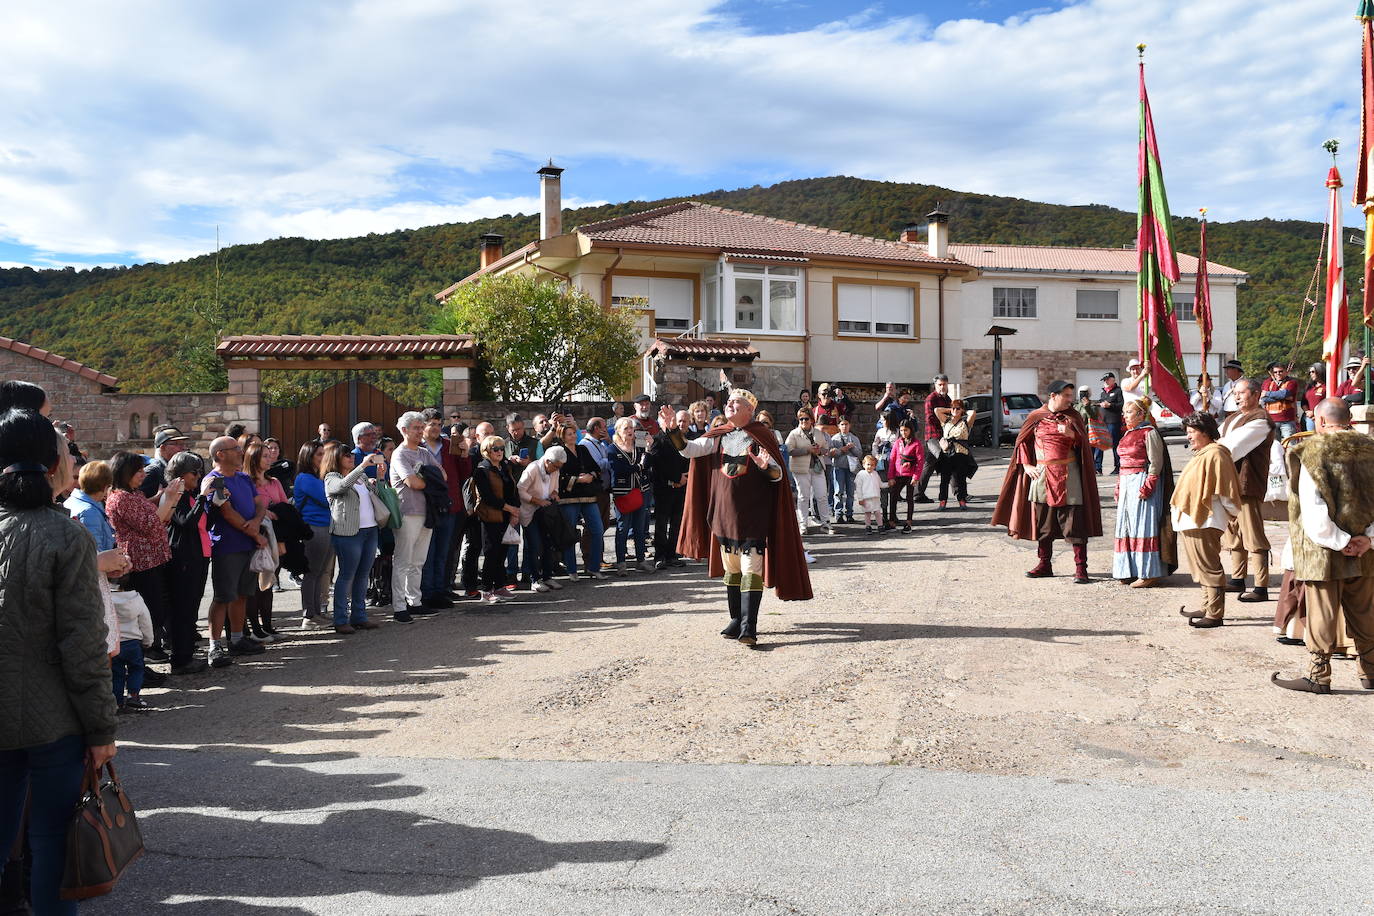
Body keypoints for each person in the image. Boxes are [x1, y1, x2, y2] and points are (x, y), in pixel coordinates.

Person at [0, 408, 117, 916]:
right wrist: (100, 730)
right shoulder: (67, 536)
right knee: (52, 847)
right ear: (54, 467)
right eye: (68, 451)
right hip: (56, 723)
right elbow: (83, 645)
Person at [660, 389, 812, 648]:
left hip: (752, 514)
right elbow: (689, 450)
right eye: (728, 402)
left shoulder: (761, 436)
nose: (729, 405)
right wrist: (674, 431)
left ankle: (748, 626)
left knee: (750, 569)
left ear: (749, 410)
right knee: (731, 569)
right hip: (723, 514)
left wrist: (767, 468)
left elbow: (778, 477)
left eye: (735, 402)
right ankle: (735, 619)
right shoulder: (718, 435)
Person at [1272, 398, 1374, 693]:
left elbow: (1313, 508)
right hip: (1366, 551)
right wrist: (1366, 540)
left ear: (1319, 420)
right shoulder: (1371, 449)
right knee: (1366, 613)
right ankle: (1369, 672)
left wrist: (1339, 541)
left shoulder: (1311, 450)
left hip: (1324, 554)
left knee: (1322, 616)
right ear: (1349, 419)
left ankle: (1318, 677)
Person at [992, 379, 1103, 584]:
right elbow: (1023, 443)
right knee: (1044, 524)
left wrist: (1073, 435)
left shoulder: (1074, 417)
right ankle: (1045, 565)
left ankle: (1081, 568)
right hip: (1042, 475)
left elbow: (1084, 447)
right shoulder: (1036, 417)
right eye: (1067, 396)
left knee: (1074, 523)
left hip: (1069, 475)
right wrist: (1026, 465)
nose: (1071, 400)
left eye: (1071, 395)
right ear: (1053, 396)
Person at [106, 450, 179, 663]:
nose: (143, 474)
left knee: (155, 606)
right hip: (141, 561)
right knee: (149, 606)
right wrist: (170, 498)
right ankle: (144, 653)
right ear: (125, 472)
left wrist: (160, 499)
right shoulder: (121, 498)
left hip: (152, 558)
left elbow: (149, 513)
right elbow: (150, 524)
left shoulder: (134, 494)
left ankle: (150, 648)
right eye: (138, 471)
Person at [202, 436, 268, 667]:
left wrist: (257, 521)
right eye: (235, 449)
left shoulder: (242, 477)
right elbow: (227, 512)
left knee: (242, 594)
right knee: (223, 596)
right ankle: (214, 646)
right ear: (220, 454)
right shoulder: (214, 480)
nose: (241, 452)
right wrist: (254, 532)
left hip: (247, 544)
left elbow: (260, 502)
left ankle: (238, 639)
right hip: (228, 546)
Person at [1170, 411, 1242, 627]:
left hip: (1205, 520)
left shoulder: (1217, 454)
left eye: (1192, 432)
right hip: (1193, 520)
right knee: (1200, 567)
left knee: (1209, 567)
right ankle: (1206, 606)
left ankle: (1215, 613)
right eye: (1188, 432)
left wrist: (1231, 515)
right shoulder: (1204, 453)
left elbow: (1227, 490)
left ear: (1205, 432)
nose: (1189, 436)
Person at [1217, 378, 1275, 603]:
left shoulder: (1261, 420)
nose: (1237, 397)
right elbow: (1217, 439)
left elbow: (1230, 447)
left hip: (1247, 483)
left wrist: (1212, 447)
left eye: (1241, 393)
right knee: (1233, 533)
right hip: (1230, 483)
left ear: (1256, 394)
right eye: (1235, 393)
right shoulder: (1232, 417)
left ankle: (1261, 586)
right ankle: (1238, 578)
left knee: (1253, 535)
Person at [1111, 397, 1176, 587]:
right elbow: (1122, 463)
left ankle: (1148, 572)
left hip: (1141, 481)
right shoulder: (1126, 434)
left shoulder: (1149, 433)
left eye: (1129, 412)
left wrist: (1149, 484)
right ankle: (1128, 569)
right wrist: (1118, 484)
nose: (1125, 415)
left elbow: (1156, 462)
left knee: (1142, 526)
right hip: (1126, 482)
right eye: (1124, 412)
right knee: (1126, 526)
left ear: (1141, 414)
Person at [322, 441, 385, 633]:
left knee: (363, 575)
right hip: (348, 533)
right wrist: (363, 466)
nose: (351, 457)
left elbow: (375, 496)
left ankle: (359, 616)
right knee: (347, 576)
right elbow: (340, 487)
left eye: (351, 455)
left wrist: (380, 479)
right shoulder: (331, 477)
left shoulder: (361, 476)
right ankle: (341, 619)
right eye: (346, 455)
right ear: (336, 459)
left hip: (369, 530)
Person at [389, 411, 442, 622]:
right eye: (416, 428)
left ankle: (415, 602)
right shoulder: (399, 454)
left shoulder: (424, 452)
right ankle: (399, 607)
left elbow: (442, 475)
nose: (421, 431)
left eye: (422, 427)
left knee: (418, 561)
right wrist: (430, 480)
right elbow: (413, 483)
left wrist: (426, 478)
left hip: (426, 512)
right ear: (404, 430)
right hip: (407, 512)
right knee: (403, 561)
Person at [163, 451, 211, 674]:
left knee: (192, 606)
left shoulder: (191, 494)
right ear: (181, 474)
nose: (198, 476)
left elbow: (204, 524)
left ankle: (187, 653)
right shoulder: (177, 494)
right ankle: (180, 659)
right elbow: (186, 522)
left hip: (199, 555)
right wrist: (202, 497)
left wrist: (215, 502)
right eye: (195, 472)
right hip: (184, 557)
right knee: (183, 608)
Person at [242, 440, 285, 641]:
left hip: (274, 536)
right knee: (252, 585)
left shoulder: (275, 482)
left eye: (270, 455)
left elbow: (285, 507)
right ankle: (254, 628)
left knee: (269, 581)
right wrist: (264, 512)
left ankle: (267, 625)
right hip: (253, 537)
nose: (270, 459)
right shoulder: (246, 483)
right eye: (265, 456)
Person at [419, 408, 459, 609]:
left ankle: (440, 591)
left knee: (443, 551)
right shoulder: (416, 446)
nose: (435, 428)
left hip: (447, 505)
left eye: (438, 424)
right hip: (425, 506)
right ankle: (426, 593)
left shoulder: (449, 445)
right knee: (428, 552)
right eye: (431, 424)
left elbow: (463, 472)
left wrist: (465, 454)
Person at [473, 435, 520, 604]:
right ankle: (486, 590)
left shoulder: (504, 466)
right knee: (491, 553)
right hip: (490, 515)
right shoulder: (482, 470)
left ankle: (500, 586)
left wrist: (515, 512)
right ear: (487, 451)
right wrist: (510, 508)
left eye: (501, 448)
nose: (500, 452)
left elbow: (513, 490)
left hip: (507, 515)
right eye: (496, 449)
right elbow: (487, 497)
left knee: (502, 552)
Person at [293, 440, 335, 626]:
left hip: (326, 526)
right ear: (308, 457)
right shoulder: (305, 478)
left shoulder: (318, 477)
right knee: (312, 572)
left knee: (319, 572)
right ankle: (309, 615)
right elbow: (327, 500)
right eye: (319, 454)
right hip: (314, 528)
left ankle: (316, 611)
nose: (323, 457)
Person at [556, 422, 605, 580]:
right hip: (568, 498)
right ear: (562, 436)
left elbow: (596, 468)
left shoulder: (582, 449)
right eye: (569, 434)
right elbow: (557, 476)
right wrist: (578, 480)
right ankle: (572, 570)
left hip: (588, 496)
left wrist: (590, 475)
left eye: (573, 433)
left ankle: (594, 567)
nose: (572, 436)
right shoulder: (559, 451)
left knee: (597, 531)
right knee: (570, 534)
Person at [518, 446, 566, 591]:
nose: (557, 470)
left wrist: (555, 494)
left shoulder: (555, 470)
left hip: (546, 513)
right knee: (534, 546)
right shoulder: (533, 469)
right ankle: (534, 579)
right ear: (547, 462)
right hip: (530, 512)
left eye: (559, 467)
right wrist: (537, 501)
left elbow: (555, 487)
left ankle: (547, 577)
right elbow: (520, 490)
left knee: (548, 545)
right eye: (555, 466)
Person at [646, 412, 689, 569]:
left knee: (677, 524)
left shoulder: (681, 438)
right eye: (667, 420)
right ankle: (660, 556)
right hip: (664, 488)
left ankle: (672, 554)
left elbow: (687, 458)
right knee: (661, 524)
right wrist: (676, 478)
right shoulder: (657, 439)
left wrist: (684, 478)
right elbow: (657, 465)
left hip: (680, 487)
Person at [609, 416, 651, 574]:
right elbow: (619, 469)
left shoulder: (639, 445)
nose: (629, 431)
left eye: (631, 428)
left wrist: (648, 449)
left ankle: (641, 561)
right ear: (618, 431)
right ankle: (621, 563)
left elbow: (647, 464)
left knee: (640, 528)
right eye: (625, 428)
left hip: (640, 491)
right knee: (622, 528)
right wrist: (638, 467)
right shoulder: (612, 449)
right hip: (623, 493)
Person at [786, 410, 834, 534]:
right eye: (801, 419)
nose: (803, 421)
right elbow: (789, 450)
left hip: (817, 467)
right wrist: (807, 450)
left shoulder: (818, 433)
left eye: (806, 419)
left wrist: (819, 451)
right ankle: (803, 524)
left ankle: (825, 522)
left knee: (822, 495)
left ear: (811, 420)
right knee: (803, 496)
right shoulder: (794, 434)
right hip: (801, 469)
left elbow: (826, 449)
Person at [109, 585, 154, 712]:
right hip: (133, 643)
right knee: (137, 669)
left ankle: (117, 702)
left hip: (114, 643)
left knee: (116, 674)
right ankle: (133, 696)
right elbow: (146, 622)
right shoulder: (136, 599)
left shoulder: (106, 599)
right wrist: (148, 641)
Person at [933, 399, 978, 510]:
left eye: (958, 408)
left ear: (962, 409)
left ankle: (962, 500)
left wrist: (962, 411)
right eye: (953, 408)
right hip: (947, 454)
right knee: (944, 479)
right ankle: (942, 501)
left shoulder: (965, 422)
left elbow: (973, 413)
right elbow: (936, 410)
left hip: (961, 454)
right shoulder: (946, 421)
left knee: (961, 479)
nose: (955, 410)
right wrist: (951, 410)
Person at [916, 374, 952, 502]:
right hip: (933, 436)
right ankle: (960, 494)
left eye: (944, 384)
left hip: (944, 435)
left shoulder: (948, 399)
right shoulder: (931, 398)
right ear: (935, 385)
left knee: (929, 464)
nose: (942, 387)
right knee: (947, 458)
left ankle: (918, 494)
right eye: (940, 385)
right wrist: (941, 437)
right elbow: (930, 419)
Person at [888, 418, 923, 533]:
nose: (904, 433)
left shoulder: (916, 443)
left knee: (909, 498)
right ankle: (891, 521)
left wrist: (916, 477)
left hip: (910, 475)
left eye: (906, 430)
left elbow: (920, 462)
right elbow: (892, 459)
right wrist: (891, 477)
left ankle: (909, 522)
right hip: (898, 474)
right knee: (893, 497)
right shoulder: (898, 443)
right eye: (902, 430)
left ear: (911, 430)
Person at [829, 417, 862, 523]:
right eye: (842, 424)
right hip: (839, 467)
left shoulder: (854, 438)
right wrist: (842, 450)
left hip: (851, 468)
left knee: (851, 492)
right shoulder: (834, 439)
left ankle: (849, 514)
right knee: (838, 491)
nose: (844, 426)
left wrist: (852, 448)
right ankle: (838, 514)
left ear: (849, 425)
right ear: (838, 426)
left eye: (846, 424)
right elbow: (832, 454)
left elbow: (859, 453)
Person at [871, 412, 899, 532]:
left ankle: (893, 514)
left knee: (894, 489)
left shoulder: (896, 431)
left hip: (893, 461)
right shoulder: (880, 432)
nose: (881, 421)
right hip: (882, 460)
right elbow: (875, 444)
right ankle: (884, 514)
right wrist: (876, 455)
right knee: (883, 489)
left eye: (883, 419)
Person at [1260, 361, 1300, 441]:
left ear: (1286, 371)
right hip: (1271, 420)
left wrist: (1267, 393)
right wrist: (1281, 396)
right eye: (1275, 372)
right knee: (1274, 447)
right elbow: (1264, 399)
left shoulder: (1292, 382)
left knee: (1290, 444)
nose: (1278, 373)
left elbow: (1284, 394)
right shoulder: (1267, 382)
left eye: (1281, 371)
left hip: (1287, 420)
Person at [1096, 371, 1125, 474]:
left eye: (1108, 379)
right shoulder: (1103, 393)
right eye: (1104, 380)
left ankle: (1118, 467)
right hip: (1102, 422)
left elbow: (1122, 405)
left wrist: (1110, 405)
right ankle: (1098, 467)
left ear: (1113, 380)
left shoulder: (1118, 391)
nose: (1106, 382)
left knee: (1115, 445)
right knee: (1100, 445)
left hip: (1113, 422)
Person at [854, 454, 883, 534]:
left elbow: (880, 484)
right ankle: (868, 526)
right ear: (863, 464)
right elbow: (858, 488)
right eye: (868, 464)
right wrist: (860, 499)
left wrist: (888, 484)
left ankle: (880, 526)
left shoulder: (875, 474)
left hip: (875, 497)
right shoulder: (861, 474)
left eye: (872, 465)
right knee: (867, 513)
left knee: (877, 512)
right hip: (866, 498)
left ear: (875, 466)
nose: (870, 466)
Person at [1301, 363, 1326, 432]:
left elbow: (1327, 403)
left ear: (1320, 371)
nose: (1311, 374)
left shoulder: (1326, 386)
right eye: (1310, 372)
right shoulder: (1309, 387)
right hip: (1309, 418)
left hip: (1322, 418)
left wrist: (1314, 413)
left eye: (1313, 372)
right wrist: (1307, 412)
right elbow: (1303, 402)